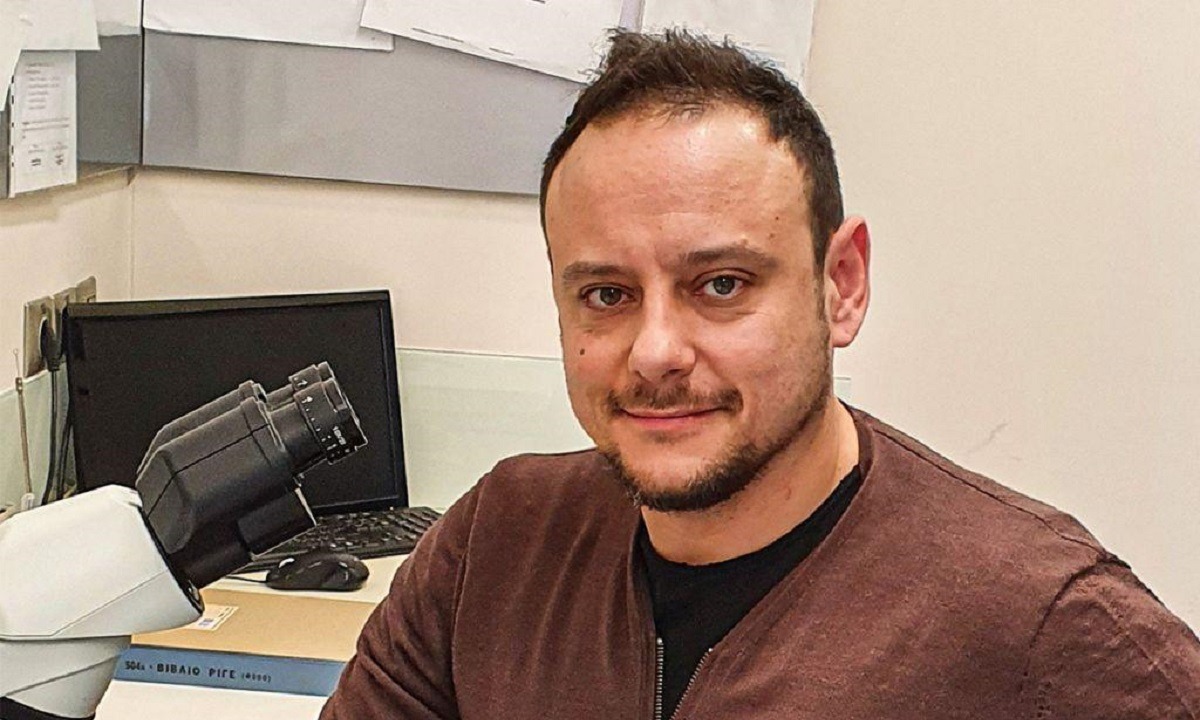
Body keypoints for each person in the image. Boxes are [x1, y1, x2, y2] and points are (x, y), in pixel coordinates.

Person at [322, 30, 1200, 719]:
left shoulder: (1041, 623)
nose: (655, 351)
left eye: (721, 285)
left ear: (840, 286)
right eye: (606, 294)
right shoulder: (497, 548)